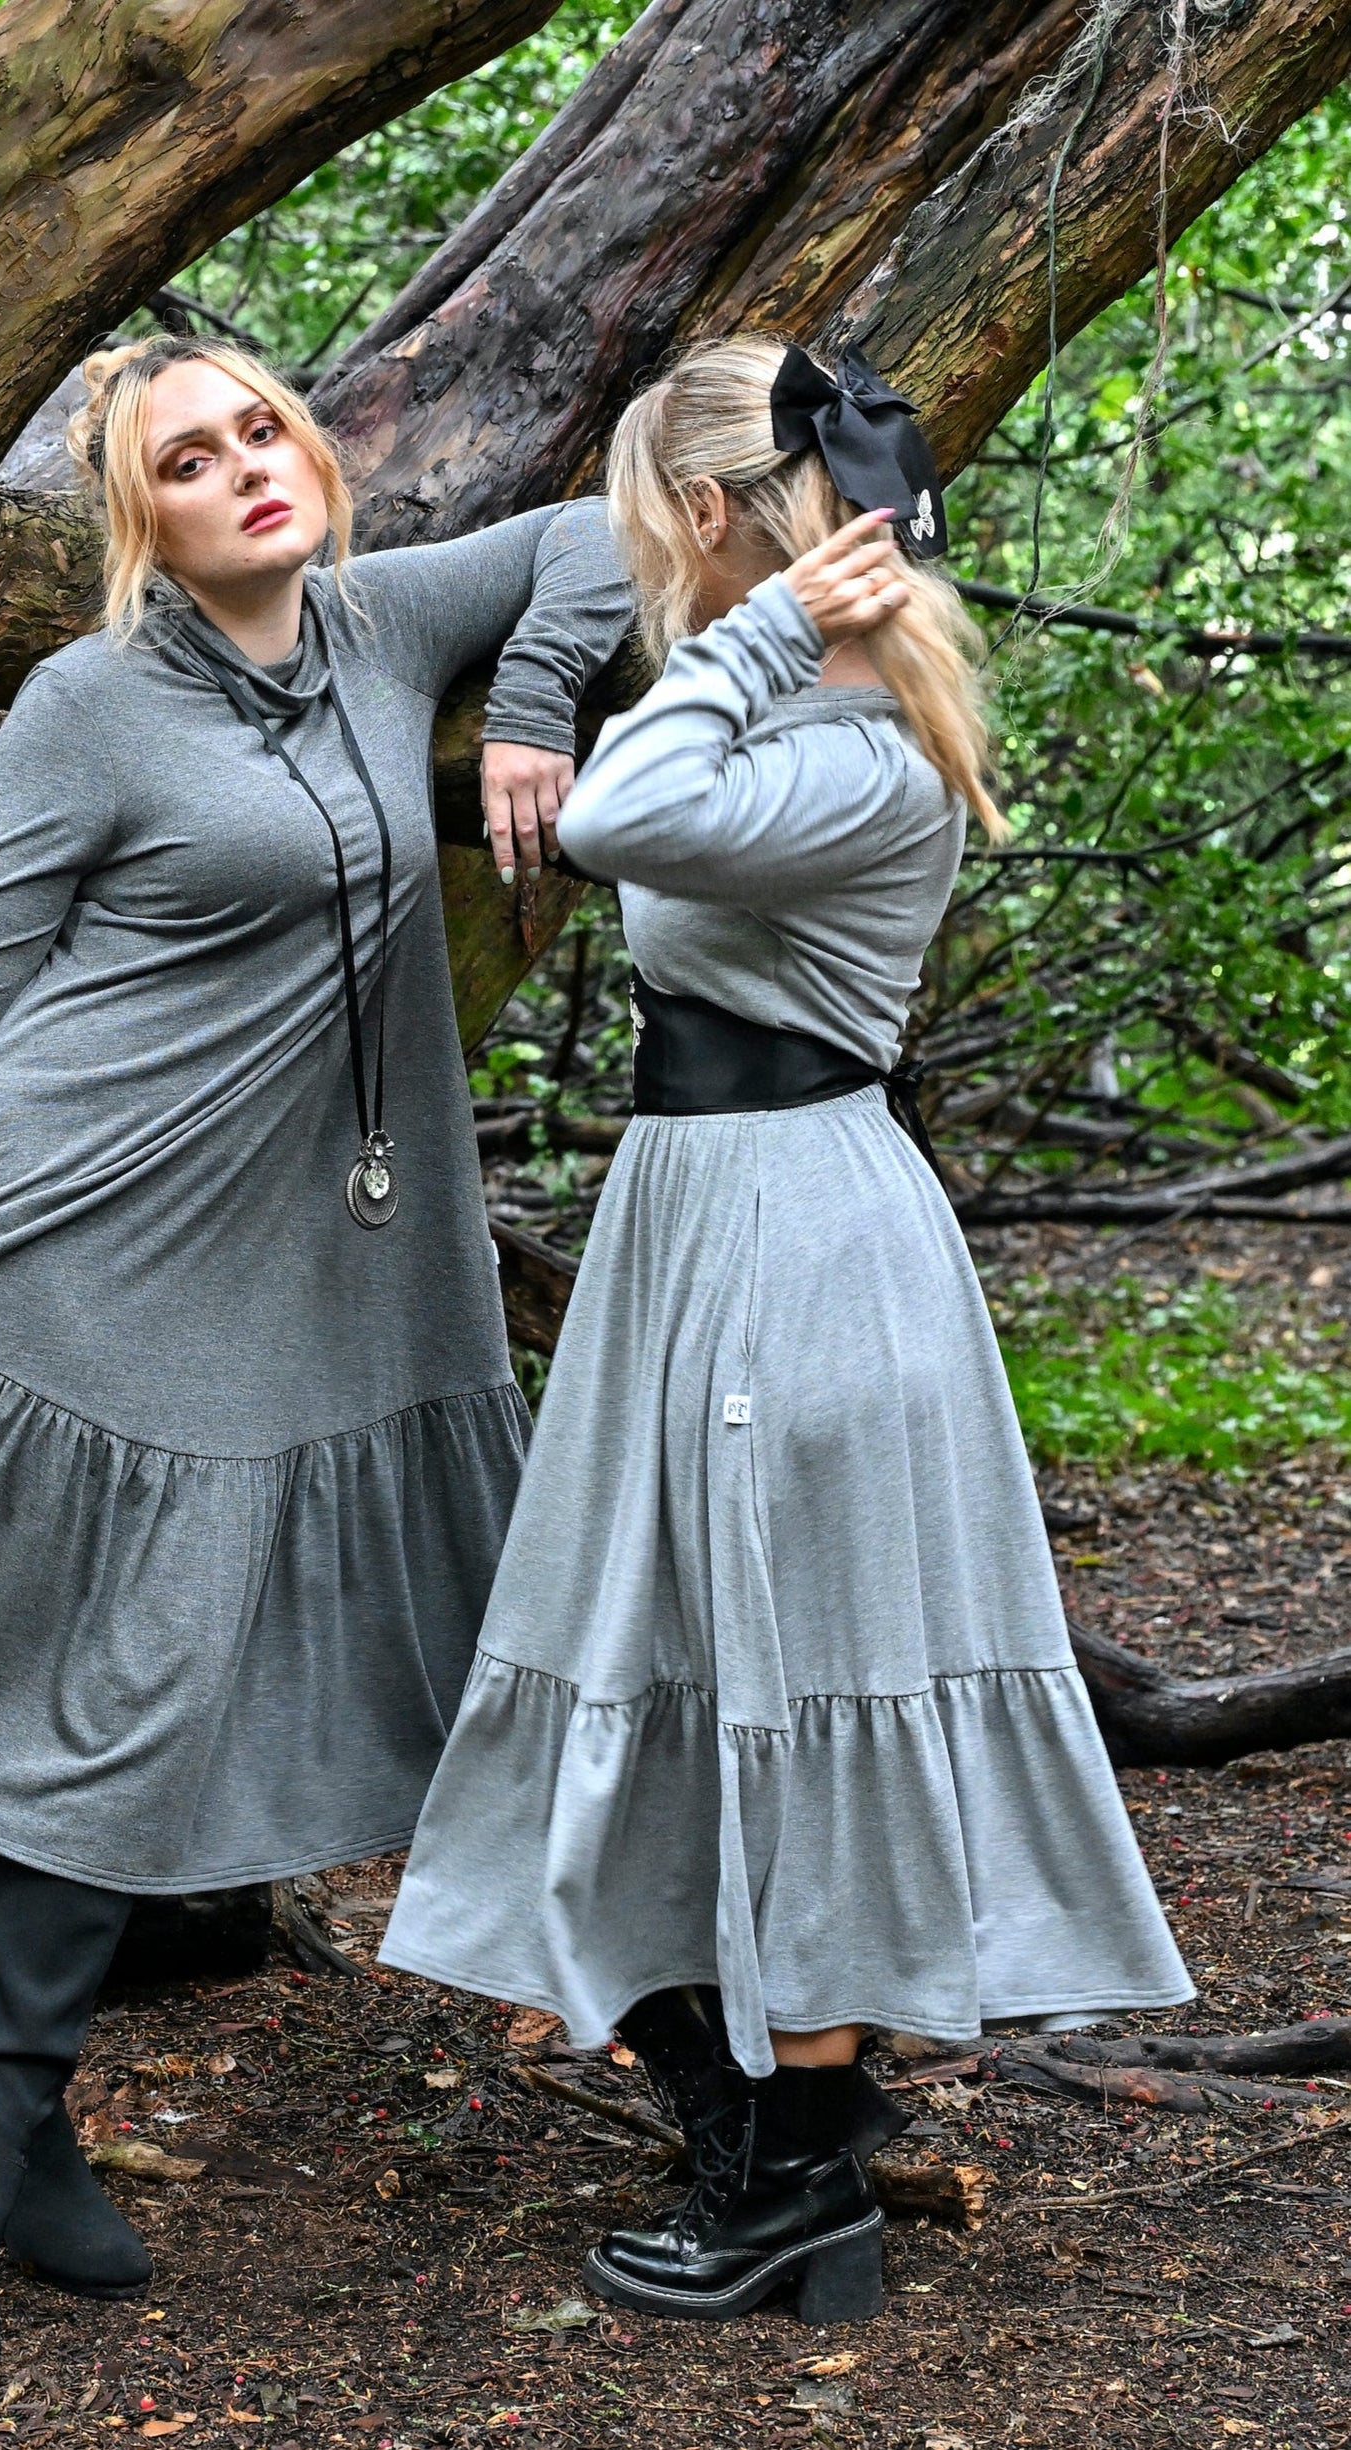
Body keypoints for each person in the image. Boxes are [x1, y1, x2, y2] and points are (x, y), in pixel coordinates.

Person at [0, 332, 633, 2373]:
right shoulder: (88, 706)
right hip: (57, 1231)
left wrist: (531, 704)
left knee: (100, 1687)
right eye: (189, 460)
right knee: (77, 1684)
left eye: (264, 428)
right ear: (138, 523)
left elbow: (608, 527)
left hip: (263, 1274)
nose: (248, 468)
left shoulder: (381, 623)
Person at [380, 336, 1191, 2326]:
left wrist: (749, 636)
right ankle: (763, 2127)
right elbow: (578, 633)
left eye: (656, 530)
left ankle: (800, 2187)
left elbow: (618, 816)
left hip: (791, 1240)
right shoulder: (797, 710)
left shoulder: (842, 746)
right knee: (689, 1653)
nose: (638, 569)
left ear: (715, 518)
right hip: (712, 1219)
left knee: (796, 1672)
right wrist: (557, 682)